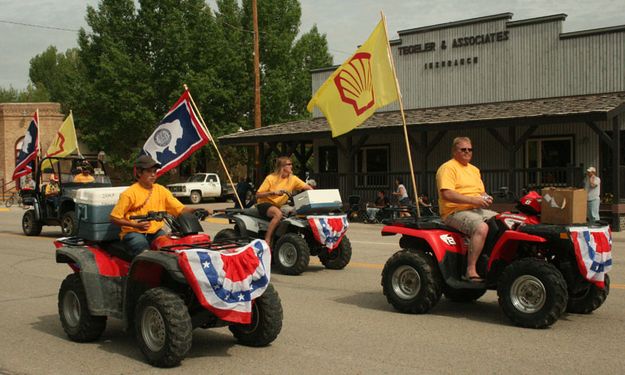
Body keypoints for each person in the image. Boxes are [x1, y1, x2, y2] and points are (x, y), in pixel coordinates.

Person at [110, 155, 204, 257]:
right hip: (134, 232)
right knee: (143, 249)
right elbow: (114, 218)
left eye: (154, 171)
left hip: (156, 232)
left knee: (171, 247)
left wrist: (197, 210)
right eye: (149, 171)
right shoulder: (129, 194)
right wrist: (135, 225)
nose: (153, 175)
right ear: (139, 172)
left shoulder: (161, 190)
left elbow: (180, 209)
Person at [436, 136, 497, 282]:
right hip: (454, 212)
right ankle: (470, 269)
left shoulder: (474, 170)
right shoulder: (448, 168)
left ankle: (491, 262)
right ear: (454, 151)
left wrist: (486, 197)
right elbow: (447, 193)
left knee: (504, 221)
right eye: (463, 149)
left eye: (470, 149)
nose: (467, 152)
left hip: (475, 209)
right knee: (481, 228)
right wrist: (473, 200)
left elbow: (480, 192)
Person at [255, 156, 313, 245]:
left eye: (291, 164)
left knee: (296, 212)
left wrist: (315, 194)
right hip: (264, 203)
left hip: (279, 205)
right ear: (282, 167)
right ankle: (267, 239)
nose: (291, 166)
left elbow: (307, 187)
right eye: (289, 164)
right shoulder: (270, 178)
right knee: (278, 214)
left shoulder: (293, 178)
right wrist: (273, 193)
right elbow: (258, 194)